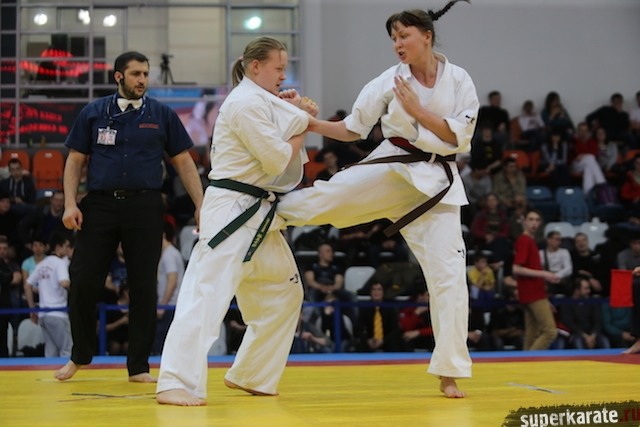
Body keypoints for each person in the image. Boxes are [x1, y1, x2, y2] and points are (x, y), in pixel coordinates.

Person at [278, 1, 477, 398]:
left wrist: (417, 109)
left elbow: (459, 136)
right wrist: (309, 121)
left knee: (450, 277)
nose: (398, 44)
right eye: (393, 38)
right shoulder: (388, 80)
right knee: (327, 198)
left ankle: (449, 371)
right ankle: (265, 211)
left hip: (437, 183)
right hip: (394, 167)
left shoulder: (459, 80)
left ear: (426, 36)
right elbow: (353, 129)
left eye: (404, 36)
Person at [156, 37, 317, 406]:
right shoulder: (244, 102)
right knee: (206, 295)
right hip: (232, 209)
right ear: (255, 66)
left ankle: (252, 373)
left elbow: (283, 159)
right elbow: (277, 159)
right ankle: (174, 382)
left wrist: (293, 112)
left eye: (285, 68)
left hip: (258, 211)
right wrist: (301, 123)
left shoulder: (261, 101)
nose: (283, 75)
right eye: (278, 68)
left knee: (283, 293)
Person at [55, 51, 204, 382]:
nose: (142, 80)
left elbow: (183, 161)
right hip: (100, 205)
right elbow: (75, 159)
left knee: (144, 286)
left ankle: (138, 366)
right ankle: (79, 355)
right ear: (118, 76)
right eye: (136, 73)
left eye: (146, 74)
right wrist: (70, 203)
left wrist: (200, 204)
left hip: (145, 205)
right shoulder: (94, 112)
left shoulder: (161, 114)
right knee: (83, 280)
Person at [512, 210, 559, 350]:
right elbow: (516, 268)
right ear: (524, 221)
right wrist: (544, 274)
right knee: (550, 332)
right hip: (533, 293)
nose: (534, 223)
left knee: (531, 335)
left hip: (531, 293)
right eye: (531, 219)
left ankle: (525, 360)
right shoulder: (525, 240)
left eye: (537, 220)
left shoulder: (528, 240)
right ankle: (530, 359)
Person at [24, 233, 73, 358]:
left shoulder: (42, 264)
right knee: (67, 350)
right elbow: (64, 283)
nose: (68, 249)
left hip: (43, 314)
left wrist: (32, 309)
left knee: (51, 353)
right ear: (58, 247)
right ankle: (66, 371)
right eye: (66, 246)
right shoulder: (60, 263)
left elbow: (27, 285)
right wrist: (79, 289)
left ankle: (49, 371)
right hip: (57, 313)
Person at [153, 223, 184, 355]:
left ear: (163, 235)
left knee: (160, 344)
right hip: (170, 304)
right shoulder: (169, 253)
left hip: (169, 305)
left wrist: (163, 305)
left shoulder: (169, 255)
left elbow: (172, 281)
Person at [559, 277, 610, 349]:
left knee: (605, 341)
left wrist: (592, 336)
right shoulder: (566, 304)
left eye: (589, 288)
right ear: (577, 290)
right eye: (586, 288)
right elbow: (569, 323)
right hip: (577, 333)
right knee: (578, 343)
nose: (589, 291)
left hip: (593, 333)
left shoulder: (593, 302)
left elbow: (598, 321)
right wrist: (585, 336)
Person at [539, 230, 573, 296]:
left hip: (561, 280)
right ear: (549, 240)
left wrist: (555, 276)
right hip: (546, 280)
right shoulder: (540, 253)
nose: (559, 242)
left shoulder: (564, 252)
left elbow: (569, 268)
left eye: (560, 240)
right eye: (557, 239)